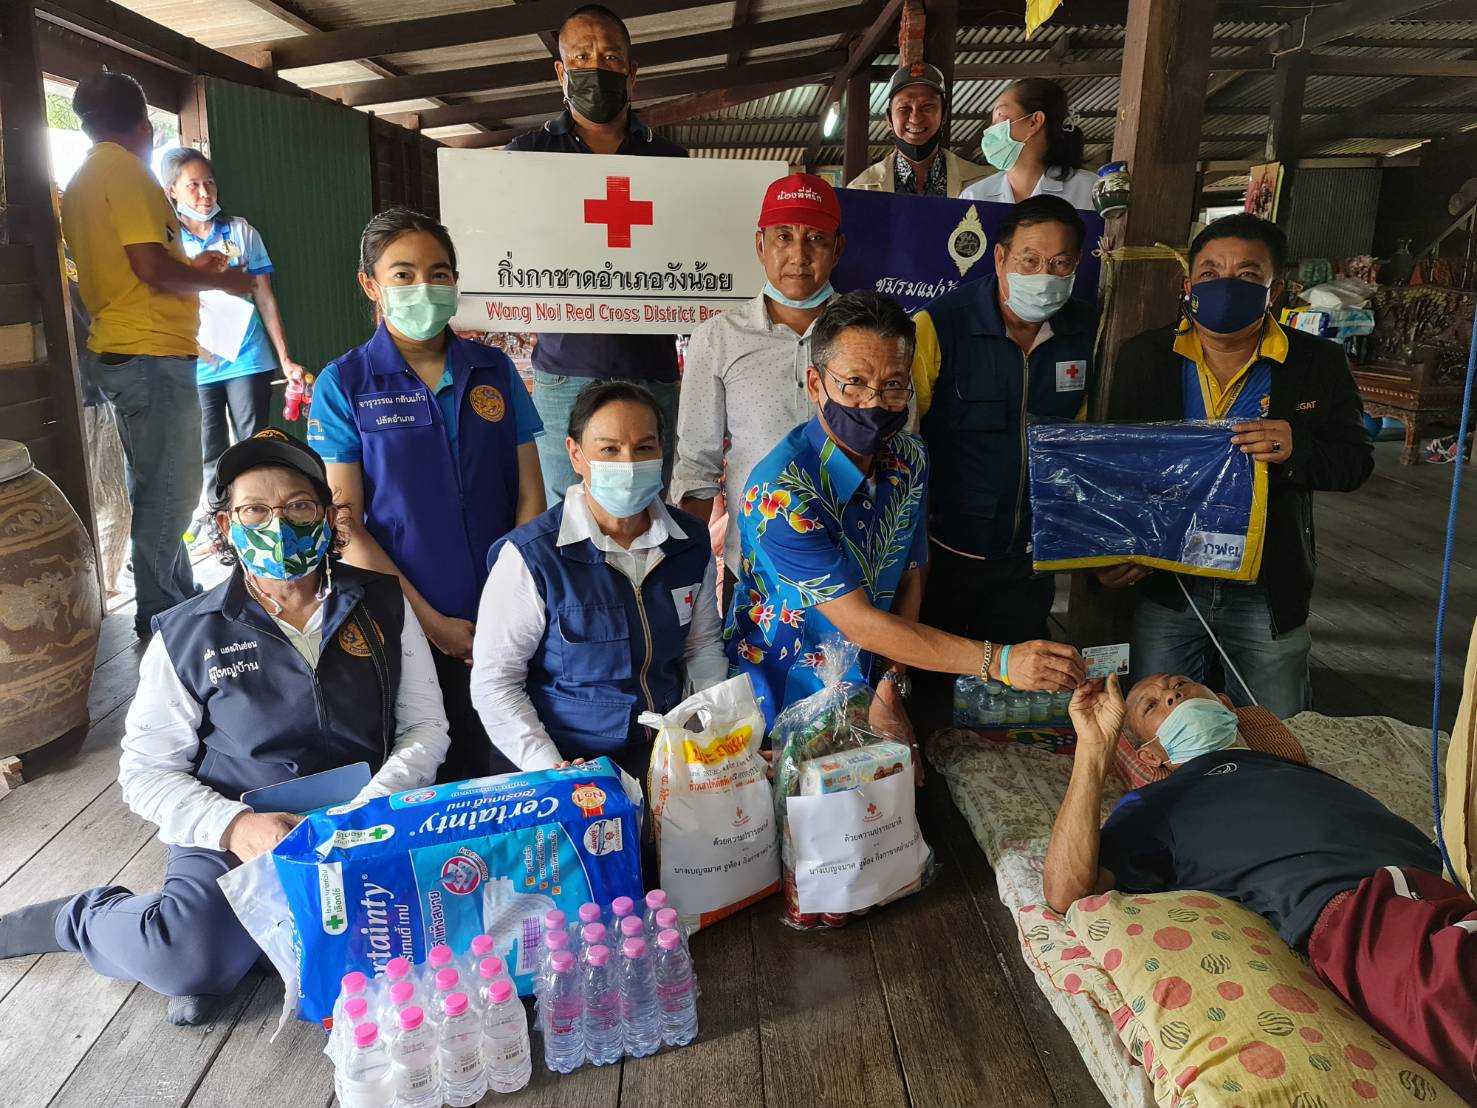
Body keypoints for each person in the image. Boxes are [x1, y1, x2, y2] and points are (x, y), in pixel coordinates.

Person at [0, 430, 450, 1026]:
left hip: (363, 818)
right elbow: (145, 771)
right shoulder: (190, 633)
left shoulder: (382, 604)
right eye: (254, 510)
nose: (278, 524)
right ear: (225, 525)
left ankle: (249, 946)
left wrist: (370, 807)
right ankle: (83, 919)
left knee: (437, 929)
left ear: (326, 515)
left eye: (298, 505)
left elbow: (425, 726)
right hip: (240, 825)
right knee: (187, 958)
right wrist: (234, 826)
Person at [1044, 672, 1477, 1102]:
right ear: (1153, 754)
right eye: (1151, 706)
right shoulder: (1155, 804)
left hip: (1447, 879)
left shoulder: (1295, 769)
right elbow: (1066, 890)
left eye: (1181, 685)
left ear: (1225, 705)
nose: (1172, 695)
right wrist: (1093, 750)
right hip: (1362, 912)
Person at [727, 292, 1086, 737]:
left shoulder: (908, 458)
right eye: (854, 382)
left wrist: (892, 681)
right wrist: (1001, 661)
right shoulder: (780, 494)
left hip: (875, 685)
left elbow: (911, 572)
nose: (873, 402)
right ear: (816, 384)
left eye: (893, 385)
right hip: (785, 698)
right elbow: (860, 623)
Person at [307, 208, 546, 780]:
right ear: (371, 285)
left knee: (511, 766)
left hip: (507, 613)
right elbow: (346, 526)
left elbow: (530, 497)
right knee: (428, 768)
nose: (424, 287)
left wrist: (505, 608)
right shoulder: (346, 383)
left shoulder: (494, 370)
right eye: (403, 274)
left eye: (439, 273)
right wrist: (432, 622)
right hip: (404, 617)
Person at [1103, 214, 1373, 718]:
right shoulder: (1146, 357)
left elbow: (1356, 462)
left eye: (1248, 275)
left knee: (1278, 731)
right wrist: (1109, 551)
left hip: (1265, 588)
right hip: (1171, 583)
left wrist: (1297, 448)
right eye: (1210, 273)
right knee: (1160, 728)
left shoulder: (1316, 362)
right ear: (1189, 287)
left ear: (1277, 290)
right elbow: (1116, 467)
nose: (1226, 286)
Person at [60, 70, 253, 637]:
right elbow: (148, 268)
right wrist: (222, 281)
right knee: (172, 492)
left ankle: (175, 595)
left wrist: (193, 269)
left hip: (125, 349)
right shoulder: (127, 172)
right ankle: (163, 614)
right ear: (144, 126)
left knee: (155, 485)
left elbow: (133, 269)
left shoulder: (83, 179)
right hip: (149, 354)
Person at [470, 382, 727, 784]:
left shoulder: (689, 543)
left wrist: (706, 736)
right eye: (609, 449)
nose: (629, 463)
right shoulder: (532, 557)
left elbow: (702, 647)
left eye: (644, 447)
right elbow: (495, 682)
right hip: (560, 758)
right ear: (575, 454)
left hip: (660, 751)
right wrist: (550, 768)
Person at [506, 3, 687, 505]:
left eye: (610, 57)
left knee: (648, 505)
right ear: (560, 71)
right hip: (564, 369)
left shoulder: (671, 163)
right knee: (567, 509)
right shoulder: (526, 158)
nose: (596, 67)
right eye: (581, 57)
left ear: (632, 73)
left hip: (650, 368)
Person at [911, 195, 1095, 646]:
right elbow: (903, 443)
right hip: (945, 556)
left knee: (1018, 678)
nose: (1044, 276)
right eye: (1029, 260)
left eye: (1059, 263)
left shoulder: (1089, 332)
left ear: (1076, 266)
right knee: (936, 675)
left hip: (1032, 561)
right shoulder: (940, 325)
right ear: (1000, 258)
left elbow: (1092, 447)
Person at [671, 172, 844, 606]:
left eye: (816, 239)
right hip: (753, 569)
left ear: (838, 249)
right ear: (760, 245)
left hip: (852, 565)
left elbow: (902, 457)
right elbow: (696, 467)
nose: (798, 255)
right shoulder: (719, 338)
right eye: (783, 237)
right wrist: (686, 573)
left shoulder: (870, 333)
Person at [158, 147, 308, 537]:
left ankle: (255, 521)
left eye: (209, 183)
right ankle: (218, 524)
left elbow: (265, 297)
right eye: (193, 185)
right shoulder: (166, 240)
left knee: (252, 445)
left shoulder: (241, 232)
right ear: (172, 190)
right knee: (209, 448)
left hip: (248, 357)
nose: (205, 193)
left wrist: (285, 358)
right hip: (197, 362)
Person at [846, 63, 990, 198]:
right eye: (904, 108)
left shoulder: (984, 184)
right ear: (889, 118)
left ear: (944, 115)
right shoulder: (859, 192)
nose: (915, 118)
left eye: (927, 106)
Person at [960, 78, 1097, 210]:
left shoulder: (1091, 191)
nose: (989, 129)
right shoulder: (973, 197)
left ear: (1034, 122)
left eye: (1000, 115)